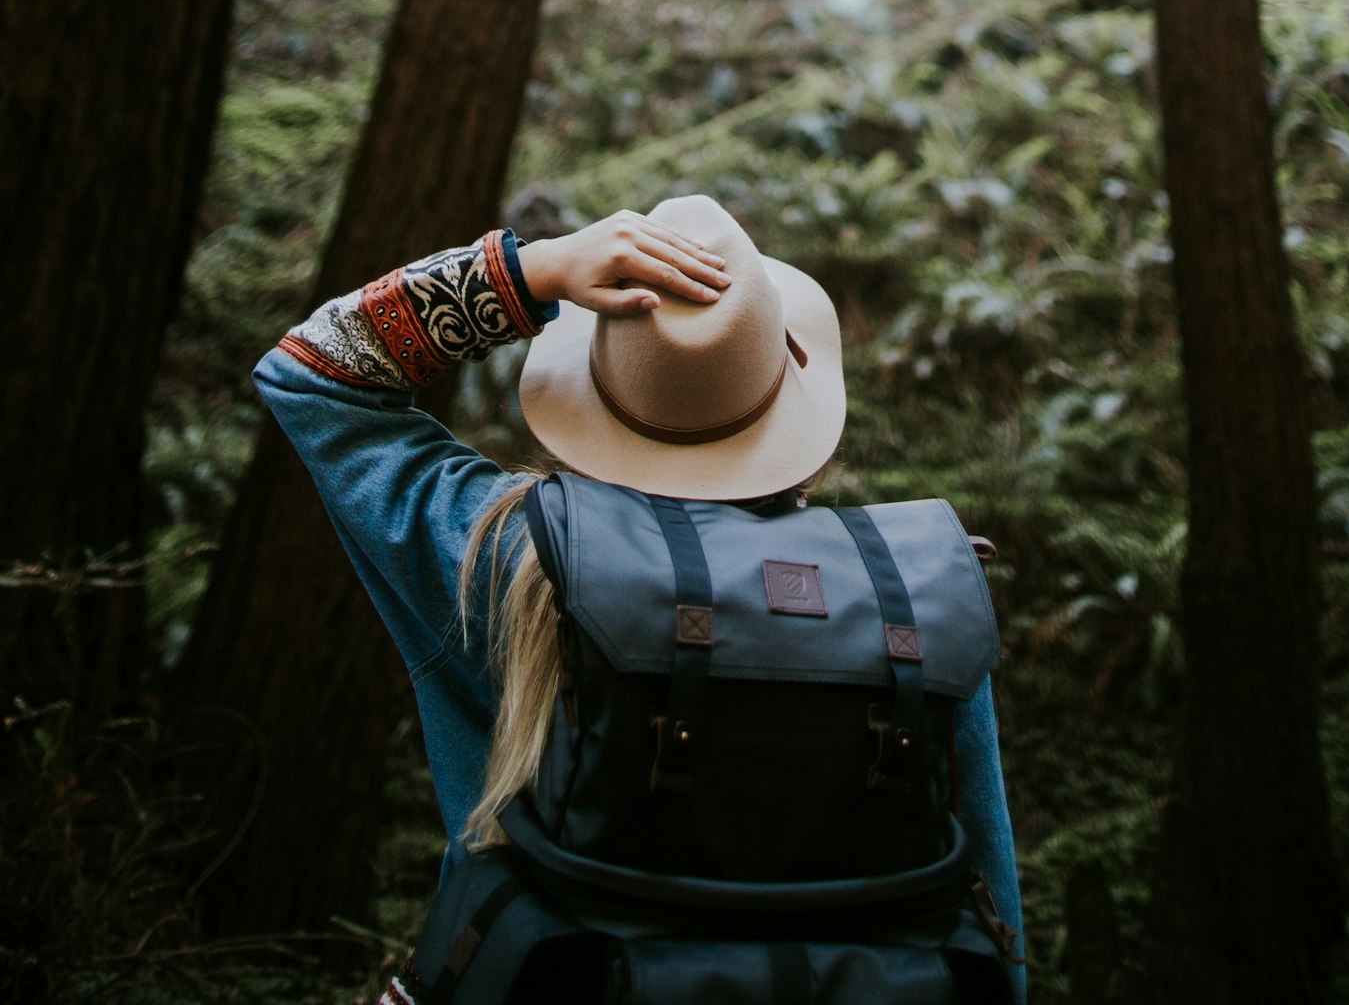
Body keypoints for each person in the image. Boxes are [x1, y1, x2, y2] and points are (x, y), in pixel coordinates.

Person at [260, 192, 1026, 1004]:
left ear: (596, 394)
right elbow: (986, 901)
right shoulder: (909, 593)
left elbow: (313, 372)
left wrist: (531, 270)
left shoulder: (512, 562)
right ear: (787, 388)